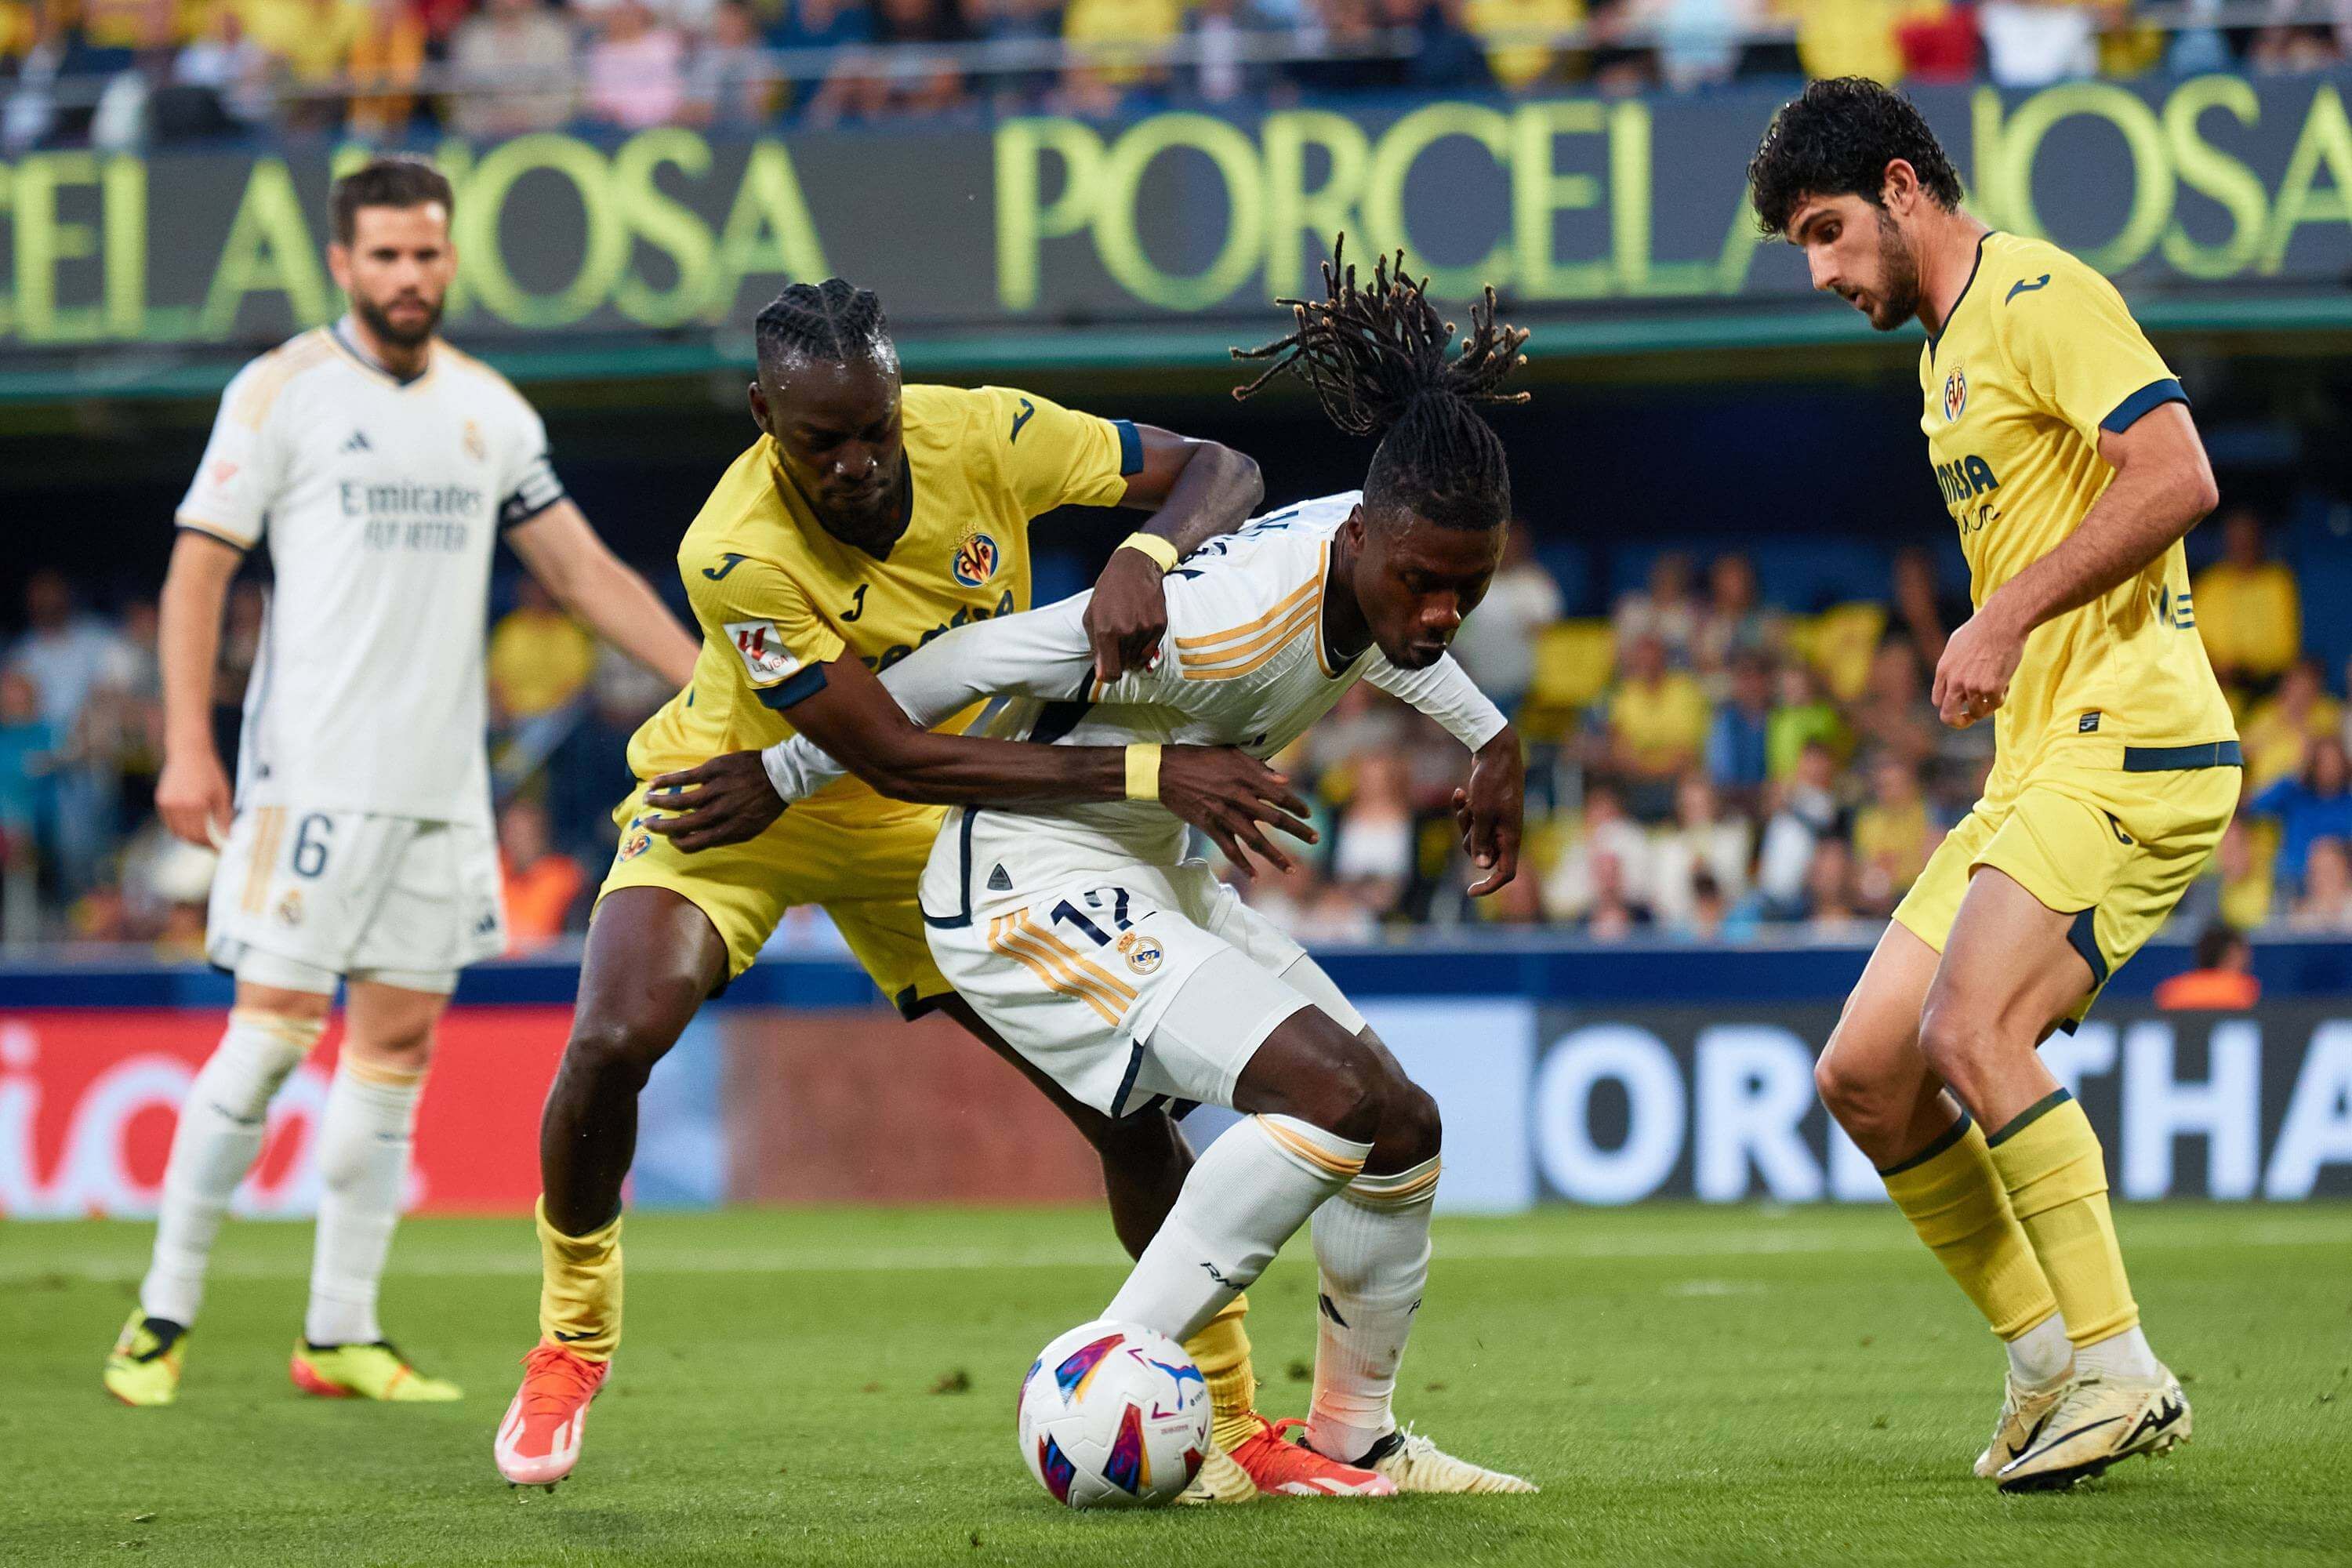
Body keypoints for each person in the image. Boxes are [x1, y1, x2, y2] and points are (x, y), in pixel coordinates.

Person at [702, 244, 1537, 1494]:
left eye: (1464, 592)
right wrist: (779, 777)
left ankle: (1346, 1444)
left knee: (1402, 1127)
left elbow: (1386, 639)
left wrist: (1494, 734)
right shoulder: (1210, 621)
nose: (1437, 614)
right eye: (1422, 581)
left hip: (1151, 866)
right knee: (1327, 1099)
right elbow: (961, 667)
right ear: (1363, 534)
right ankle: (1112, 1361)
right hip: (1024, 877)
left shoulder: (1366, 571)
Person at [494, 278, 1309, 1501]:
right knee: (614, 1036)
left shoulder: (983, 432)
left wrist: (1146, 551)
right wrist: (1151, 771)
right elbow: (894, 750)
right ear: (765, 414)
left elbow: (1224, 468)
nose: (862, 461)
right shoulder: (732, 550)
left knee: (1124, 1106)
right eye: (824, 440)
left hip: (938, 835)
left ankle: (1238, 1422)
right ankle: (571, 1341)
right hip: (741, 805)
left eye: (875, 425)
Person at [103, 157, 700, 1410]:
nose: (408, 276)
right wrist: (188, 742)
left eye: (425, 254)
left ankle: (339, 1333)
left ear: (448, 259)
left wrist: (712, 688)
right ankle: (160, 1318)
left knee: (396, 1049)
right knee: (267, 1040)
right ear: (341, 263)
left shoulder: (490, 411)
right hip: (307, 776)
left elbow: (586, 573)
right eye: (384, 255)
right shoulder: (281, 394)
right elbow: (197, 572)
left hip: (439, 792)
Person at [1751, 78, 2234, 1491]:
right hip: (2041, 755)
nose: (1829, 274)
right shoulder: (1946, 353)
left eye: (1833, 233)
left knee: (1973, 1030)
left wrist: (2007, 614)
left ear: (1906, 186)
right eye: (1806, 250)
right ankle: (2042, 1357)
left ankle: (2120, 1367)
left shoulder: (2039, 291)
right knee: (1866, 1078)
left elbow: (2180, 474)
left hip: (2134, 733)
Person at [2151, 922, 2259, 1011]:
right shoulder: (2242, 991)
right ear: (2231, 956)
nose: (2248, 962)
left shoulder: (2171, 991)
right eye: (2243, 956)